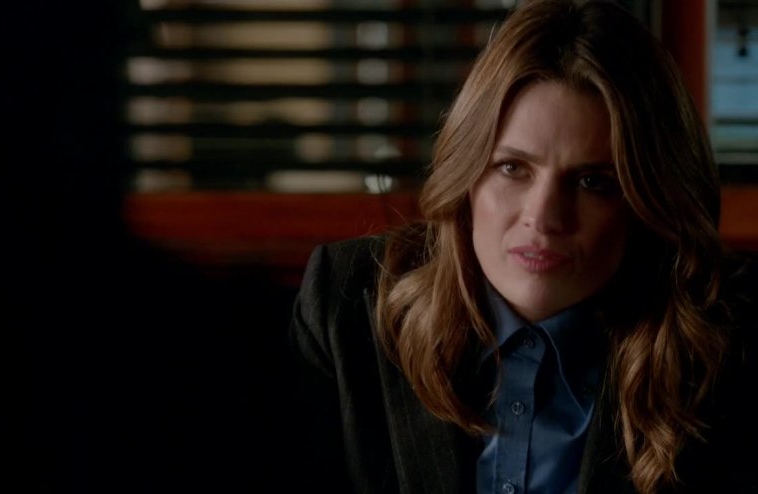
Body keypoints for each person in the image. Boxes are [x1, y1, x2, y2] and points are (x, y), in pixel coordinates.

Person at [286, 0, 758, 493]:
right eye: (512, 168)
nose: (544, 218)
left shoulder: (731, 347)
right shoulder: (346, 306)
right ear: (467, 175)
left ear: (648, 203)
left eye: (593, 182)